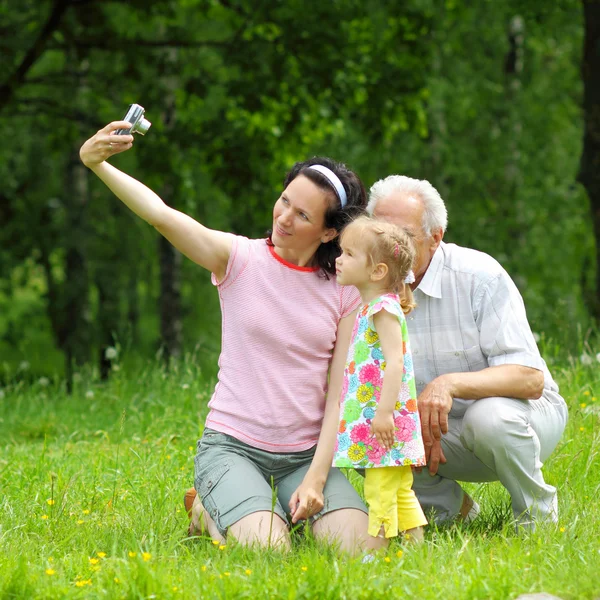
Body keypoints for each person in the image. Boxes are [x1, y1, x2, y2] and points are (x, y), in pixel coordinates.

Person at [79, 120, 385, 553]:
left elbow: (340, 394)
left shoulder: (344, 290)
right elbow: (161, 215)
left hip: (305, 456)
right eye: (284, 201)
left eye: (302, 215)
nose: (283, 217)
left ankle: (269, 508)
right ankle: (208, 509)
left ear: (330, 231)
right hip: (233, 447)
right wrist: (97, 165)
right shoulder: (237, 258)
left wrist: (317, 478)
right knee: (270, 552)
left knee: (363, 549)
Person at [366, 175, 568, 530]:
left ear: (435, 237)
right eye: (380, 234)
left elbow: (529, 378)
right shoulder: (364, 290)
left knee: (488, 417)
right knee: (363, 421)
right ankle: (451, 511)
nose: (390, 248)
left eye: (404, 236)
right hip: (437, 436)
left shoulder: (480, 276)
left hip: (522, 420)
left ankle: (538, 519)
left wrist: (449, 384)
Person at [332, 216, 428, 545]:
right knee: (398, 489)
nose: (338, 259)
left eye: (348, 254)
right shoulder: (372, 307)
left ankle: (378, 550)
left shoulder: (382, 309)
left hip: (382, 421)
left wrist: (384, 413)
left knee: (379, 489)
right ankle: (415, 546)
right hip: (383, 421)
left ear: (377, 271)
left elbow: (395, 361)